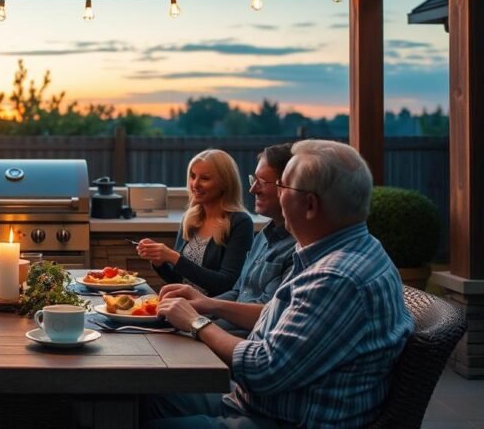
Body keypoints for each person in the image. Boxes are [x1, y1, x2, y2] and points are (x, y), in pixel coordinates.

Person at [146, 140, 414, 429]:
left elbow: (262, 369)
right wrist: (209, 304)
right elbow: (282, 319)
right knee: (134, 393)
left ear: (310, 204)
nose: (261, 192)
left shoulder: (335, 278)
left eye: (282, 187)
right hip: (253, 401)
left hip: (274, 418)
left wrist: (197, 322)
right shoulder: (337, 252)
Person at [159, 144, 296, 336]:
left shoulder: (242, 223)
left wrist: (200, 314)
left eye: (263, 182)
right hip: (219, 323)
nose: (253, 189)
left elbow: (268, 314)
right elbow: (239, 291)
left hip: (239, 337)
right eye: (254, 180)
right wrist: (195, 305)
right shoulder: (264, 236)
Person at [137, 149, 253, 296]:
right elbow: (178, 280)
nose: (195, 184)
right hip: (184, 305)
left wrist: (173, 257)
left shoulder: (240, 222)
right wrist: (159, 261)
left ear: (225, 183)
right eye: (192, 176)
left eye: (205, 178)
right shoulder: (191, 218)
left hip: (214, 312)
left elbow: (226, 284)